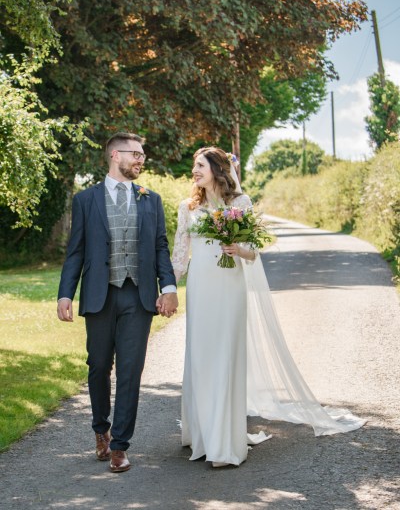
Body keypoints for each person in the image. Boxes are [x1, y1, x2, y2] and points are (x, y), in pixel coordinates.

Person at [170, 146, 365, 468]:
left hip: (229, 287)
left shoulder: (240, 204)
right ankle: (202, 434)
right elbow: (180, 253)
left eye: (200, 165)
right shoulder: (186, 206)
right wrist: (166, 288)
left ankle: (224, 442)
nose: (195, 170)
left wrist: (237, 249)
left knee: (225, 356)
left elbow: (252, 252)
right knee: (200, 356)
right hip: (201, 289)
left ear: (218, 170)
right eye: (194, 165)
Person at [57, 132, 178, 473]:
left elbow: (160, 248)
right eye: (135, 154)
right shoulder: (85, 200)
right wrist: (66, 292)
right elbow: (76, 251)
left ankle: (120, 445)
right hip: (99, 294)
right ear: (114, 155)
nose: (141, 160)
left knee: (130, 371)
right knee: (97, 366)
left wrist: (167, 286)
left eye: (142, 155)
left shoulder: (150, 199)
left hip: (138, 296)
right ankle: (101, 430)